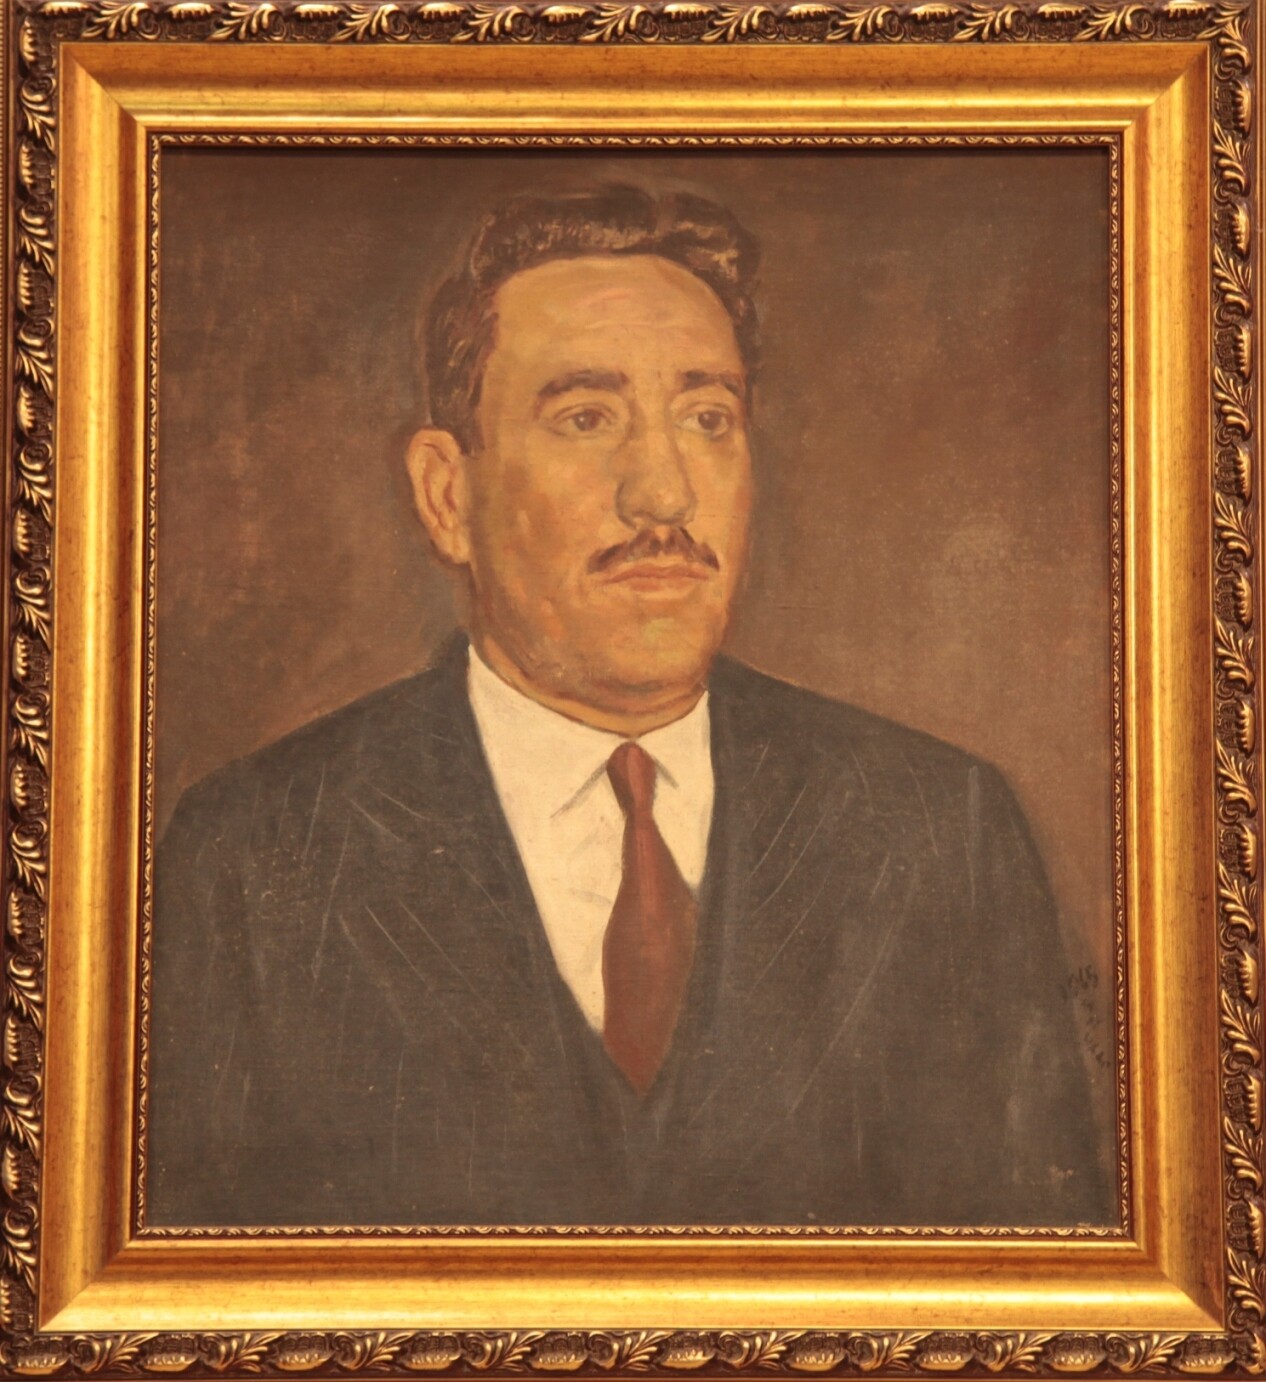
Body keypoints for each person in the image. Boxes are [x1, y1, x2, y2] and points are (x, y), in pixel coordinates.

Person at [148, 184, 1113, 1230]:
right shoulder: (256, 853)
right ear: (446, 495)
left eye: (707, 419)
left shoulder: (940, 829)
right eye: (586, 418)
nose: (663, 493)